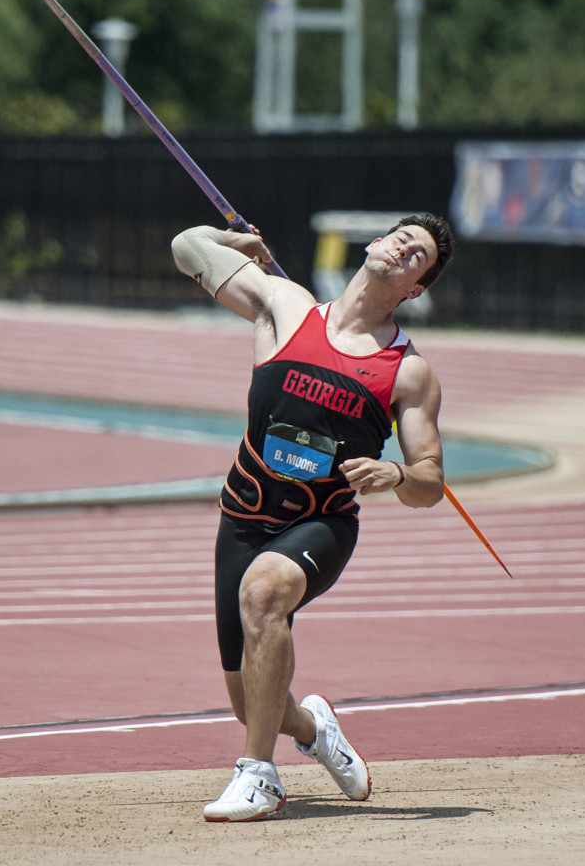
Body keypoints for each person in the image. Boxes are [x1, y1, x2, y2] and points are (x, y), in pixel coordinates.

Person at [171, 213, 454, 822]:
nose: (403, 249)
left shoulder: (408, 371)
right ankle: (313, 728)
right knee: (253, 705)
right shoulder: (284, 306)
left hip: (322, 524)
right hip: (244, 516)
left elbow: (431, 483)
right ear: (375, 243)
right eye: (400, 238)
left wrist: (398, 474)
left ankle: (259, 776)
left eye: (418, 256)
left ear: (415, 289)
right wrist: (238, 243)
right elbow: (186, 247)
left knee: (264, 591)